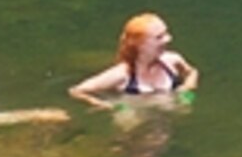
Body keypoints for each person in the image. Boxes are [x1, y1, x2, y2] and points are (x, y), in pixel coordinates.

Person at [69, 13, 198, 107]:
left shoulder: (172, 60)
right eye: (159, 37)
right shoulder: (122, 74)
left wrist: (188, 89)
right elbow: (76, 91)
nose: (168, 39)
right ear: (140, 45)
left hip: (168, 114)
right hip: (135, 115)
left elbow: (192, 72)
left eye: (166, 33)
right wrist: (103, 105)